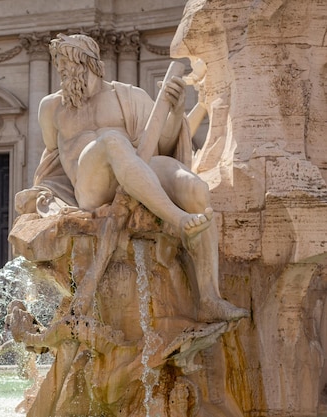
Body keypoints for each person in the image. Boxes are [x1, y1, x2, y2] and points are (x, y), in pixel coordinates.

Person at [18, 33, 247, 323]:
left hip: (138, 168)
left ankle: (209, 298)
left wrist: (176, 112)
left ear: (87, 62)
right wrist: (46, 197)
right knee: (112, 140)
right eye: (58, 65)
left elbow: (161, 146)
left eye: (66, 63)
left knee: (196, 190)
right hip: (91, 187)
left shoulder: (127, 96)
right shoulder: (52, 108)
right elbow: (52, 161)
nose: (61, 70)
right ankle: (179, 220)